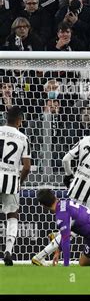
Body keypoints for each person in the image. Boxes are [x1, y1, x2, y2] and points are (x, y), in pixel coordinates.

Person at [32, 115, 90, 266]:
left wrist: (69, 175)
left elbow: (65, 160)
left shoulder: (86, 139)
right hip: (85, 194)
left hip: (78, 189)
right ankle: (40, 256)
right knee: (75, 229)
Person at [0, 107, 31, 266]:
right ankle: (8, 251)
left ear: (6, 118)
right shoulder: (23, 138)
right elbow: (26, 166)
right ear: (19, 120)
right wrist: (20, 181)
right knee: (12, 214)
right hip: (11, 180)